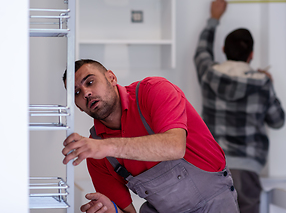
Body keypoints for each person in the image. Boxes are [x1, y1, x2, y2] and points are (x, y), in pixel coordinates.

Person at [61, 59, 240, 213]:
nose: (86, 93)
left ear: (111, 78)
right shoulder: (96, 153)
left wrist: (106, 147)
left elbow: (175, 146)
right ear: (78, 107)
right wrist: (113, 210)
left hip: (215, 204)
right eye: (77, 93)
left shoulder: (153, 92)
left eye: (90, 82)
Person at [194, 0, 285, 213]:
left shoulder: (209, 74)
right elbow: (278, 121)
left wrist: (214, 19)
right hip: (247, 169)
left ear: (224, 49)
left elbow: (201, 52)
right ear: (251, 55)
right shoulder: (261, 83)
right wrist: (269, 83)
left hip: (212, 165)